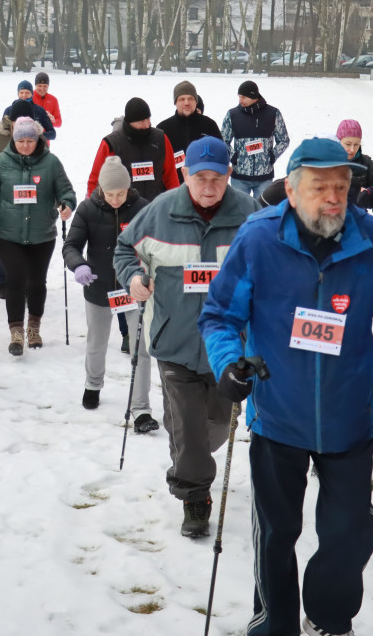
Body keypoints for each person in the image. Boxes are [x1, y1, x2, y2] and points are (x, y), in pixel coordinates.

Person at [198, 136, 373, 636]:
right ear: (292, 191)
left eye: (341, 186)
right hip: (278, 412)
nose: (334, 197)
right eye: (320, 186)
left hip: (348, 415)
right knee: (277, 533)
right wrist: (229, 364)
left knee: (345, 532)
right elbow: (219, 316)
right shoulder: (258, 240)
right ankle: (274, 625)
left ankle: (329, 615)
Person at [113, 136, 258, 538]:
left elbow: (274, 264)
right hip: (174, 342)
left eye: (217, 178)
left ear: (230, 175)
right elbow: (125, 251)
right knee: (191, 431)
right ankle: (195, 497)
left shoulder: (250, 215)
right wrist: (134, 278)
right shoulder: (159, 212)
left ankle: (187, 440)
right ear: (185, 175)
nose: (209, 186)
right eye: (200, 178)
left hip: (229, 346)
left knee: (214, 426)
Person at [62, 156, 159, 431]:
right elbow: (71, 245)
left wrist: (149, 274)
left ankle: (141, 408)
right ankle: (93, 384)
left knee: (140, 348)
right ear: (101, 190)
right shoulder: (88, 209)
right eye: (110, 194)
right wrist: (78, 265)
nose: (115, 199)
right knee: (97, 342)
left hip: (134, 289)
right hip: (99, 287)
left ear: (129, 189)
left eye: (121, 193)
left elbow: (157, 245)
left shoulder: (143, 209)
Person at [0, 118, 76, 355]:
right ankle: (16, 332)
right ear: (13, 139)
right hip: (8, 233)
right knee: (16, 279)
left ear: (38, 139)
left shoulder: (51, 162)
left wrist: (67, 204)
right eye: (20, 140)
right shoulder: (1, 163)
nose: (25, 145)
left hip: (42, 233)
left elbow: (66, 190)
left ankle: (34, 327)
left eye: (30, 140)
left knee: (37, 281)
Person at [86, 97, 180, 200]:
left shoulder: (160, 139)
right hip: (123, 211)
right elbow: (95, 181)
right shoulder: (112, 143)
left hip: (155, 209)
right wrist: (92, 207)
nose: (146, 125)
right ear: (130, 122)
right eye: (141, 121)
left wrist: (176, 204)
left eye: (148, 119)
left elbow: (171, 177)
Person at [221, 80, 290, 198]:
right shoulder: (232, 114)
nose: (240, 100)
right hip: (239, 177)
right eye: (239, 97)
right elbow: (222, 140)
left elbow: (284, 140)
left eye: (243, 97)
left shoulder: (273, 113)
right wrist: (233, 156)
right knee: (241, 213)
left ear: (253, 96)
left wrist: (272, 156)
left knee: (262, 212)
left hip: (264, 177)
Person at [157, 80, 222, 174]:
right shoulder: (163, 128)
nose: (186, 103)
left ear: (196, 101)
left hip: (203, 184)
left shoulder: (209, 125)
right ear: (175, 102)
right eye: (182, 99)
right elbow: (156, 161)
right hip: (174, 186)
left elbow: (223, 155)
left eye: (190, 99)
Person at [333, 119, 373, 210]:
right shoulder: (326, 162)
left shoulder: (365, 163)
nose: (352, 149)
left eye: (356, 144)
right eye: (348, 144)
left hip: (358, 219)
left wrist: (371, 193)